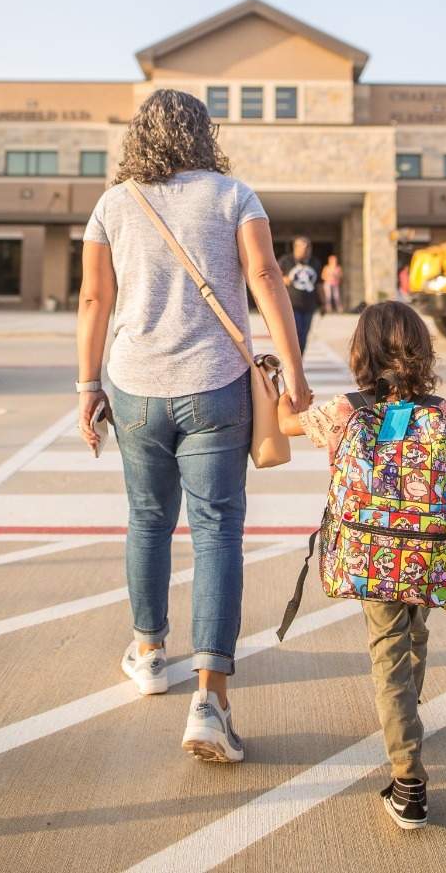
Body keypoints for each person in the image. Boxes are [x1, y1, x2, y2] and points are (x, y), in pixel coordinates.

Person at [76, 89, 312, 764]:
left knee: (147, 519)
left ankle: (149, 651)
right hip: (217, 387)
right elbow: (266, 275)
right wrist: (292, 370)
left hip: (135, 388)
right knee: (216, 533)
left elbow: (95, 297)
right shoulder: (235, 194)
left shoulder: (113, 203)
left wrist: (87, 386)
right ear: (203, 133)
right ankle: (210, 699)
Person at [276, 301, 446, 827]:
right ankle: (409, 718)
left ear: (361, 352)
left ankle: (408, 778)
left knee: (388, 656)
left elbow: (285, 423)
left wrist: (278, 388)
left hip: (371, 556)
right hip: (428, 555)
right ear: (423, 352)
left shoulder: (346, 410)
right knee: (414, 633)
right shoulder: (441, 412)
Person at [279, 236, 321, 353]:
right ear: (295, 248)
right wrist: (284, 279)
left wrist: (324, 303)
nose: (307, 250)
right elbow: (274, 277)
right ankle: (293, 359)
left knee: (304, 335)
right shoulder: (286, 260)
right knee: (295, 333)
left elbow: (319, 284)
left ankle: (299, 359)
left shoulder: (315, 262)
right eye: (304, 248)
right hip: (292, 305)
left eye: (309, 247)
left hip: (309, 306)